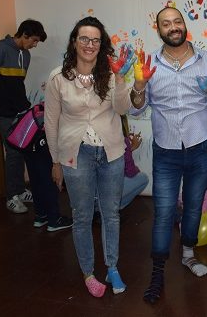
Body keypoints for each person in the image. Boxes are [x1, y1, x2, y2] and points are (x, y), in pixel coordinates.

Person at [129, 6, 207, 303]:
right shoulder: (149, 64)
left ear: (185, 26)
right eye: (166, 23)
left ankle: (187, 254)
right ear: (158, 29)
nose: (173, 27)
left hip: (201, 144)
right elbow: (135, 108)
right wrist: (139, 85)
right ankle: (157, 272)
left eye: (177, 21)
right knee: (163, 213)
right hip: (166, 150)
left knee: (195, 206)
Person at [44, 16, 131, 298]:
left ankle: (113, 267)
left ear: (101, 44)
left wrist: (119, 78)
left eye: (95, 40)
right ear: (74, 42)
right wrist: (55, 161)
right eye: (84, 39)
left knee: (111, 214)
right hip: (75, 154)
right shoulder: (59, 77)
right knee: (82, 216)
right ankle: (88, 273)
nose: (89, 45)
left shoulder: (111, 72)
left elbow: (121, 108)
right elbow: (51, 121)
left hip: (111, 151)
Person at [0, 19, 47, 213]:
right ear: (24, 35)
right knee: (13, 152)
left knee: (23, 150)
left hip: (21, 110)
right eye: (33, 40)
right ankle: (11, 197)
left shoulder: (25, 56)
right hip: (4, 112)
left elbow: (17, 85)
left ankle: (19, 190)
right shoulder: (0, 50)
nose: (34, 45)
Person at [118, 116, 149, 210]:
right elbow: (130, 172)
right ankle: (116, 206)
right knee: (143, 178)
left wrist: (130, 148)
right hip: (107, 192)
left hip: (90, 194)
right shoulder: (122, 140)